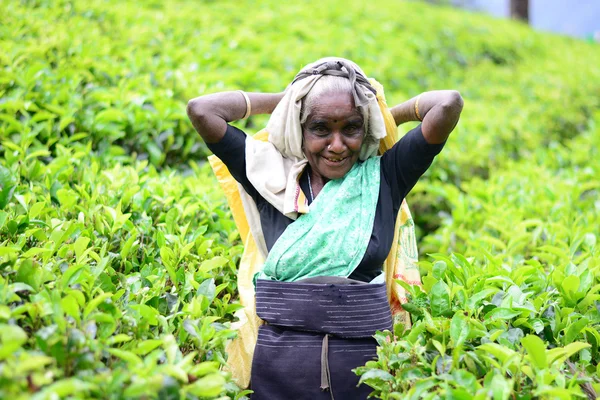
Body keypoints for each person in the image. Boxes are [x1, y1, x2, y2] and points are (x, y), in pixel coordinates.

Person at [187, 58, 463, 399]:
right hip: (276, 374)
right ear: (299, 127)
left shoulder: (385, 177)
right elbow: (202, 111)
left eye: (351, 128)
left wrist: (382, 110)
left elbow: (448, 104)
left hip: (368, 375)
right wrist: (289, 98)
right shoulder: (268, 180)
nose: (336, 144)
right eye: (320, 128)